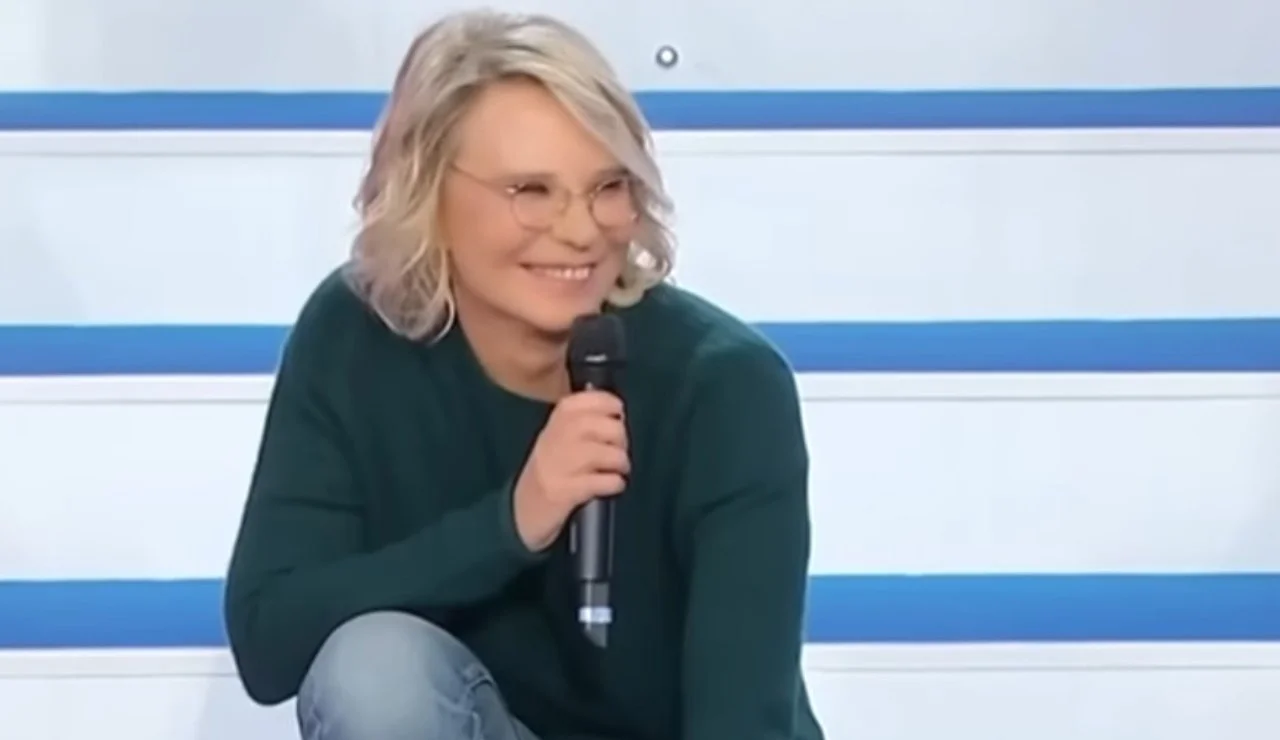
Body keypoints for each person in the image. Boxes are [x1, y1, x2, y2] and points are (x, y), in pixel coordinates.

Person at [222, 9, 825, 740]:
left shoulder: (725, 386)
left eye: (607, 187)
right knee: (374, 670)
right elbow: (269, 637)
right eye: (531, 191)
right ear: (426, 191)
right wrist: (511, 524)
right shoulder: (356, 338)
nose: (580, 230)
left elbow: (742, 721)